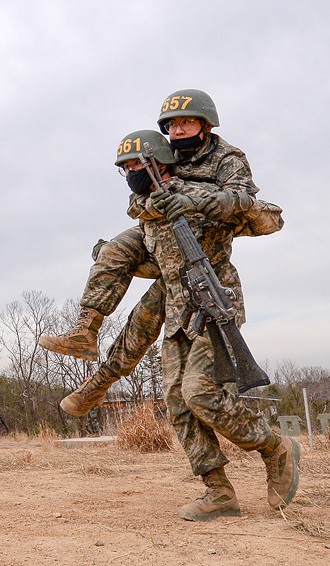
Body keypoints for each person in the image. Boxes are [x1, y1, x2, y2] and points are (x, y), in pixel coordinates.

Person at [42, 89, 283, 417]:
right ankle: (86, 330)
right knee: (112, 252)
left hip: (200, 252)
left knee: (142, 321)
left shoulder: (228, 158)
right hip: (162, 239)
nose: (178, 130)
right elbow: (136, 198)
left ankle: (98, 383)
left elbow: (244, 203)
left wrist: (189, 197)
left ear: (206, 125)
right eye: (172, 125)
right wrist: (158, 200)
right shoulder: (161, 151)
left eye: (187, 122)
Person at [115, 128, 300, 520]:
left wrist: (195, 200)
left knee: (199, 392)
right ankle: (218, 492)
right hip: (177, 311)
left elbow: (265, 214)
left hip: (215, 303)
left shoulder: (208, 189)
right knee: (178, 403)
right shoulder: (148, 206)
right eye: (126, 167)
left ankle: (274, 446)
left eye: (139, 164)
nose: (133, 171)